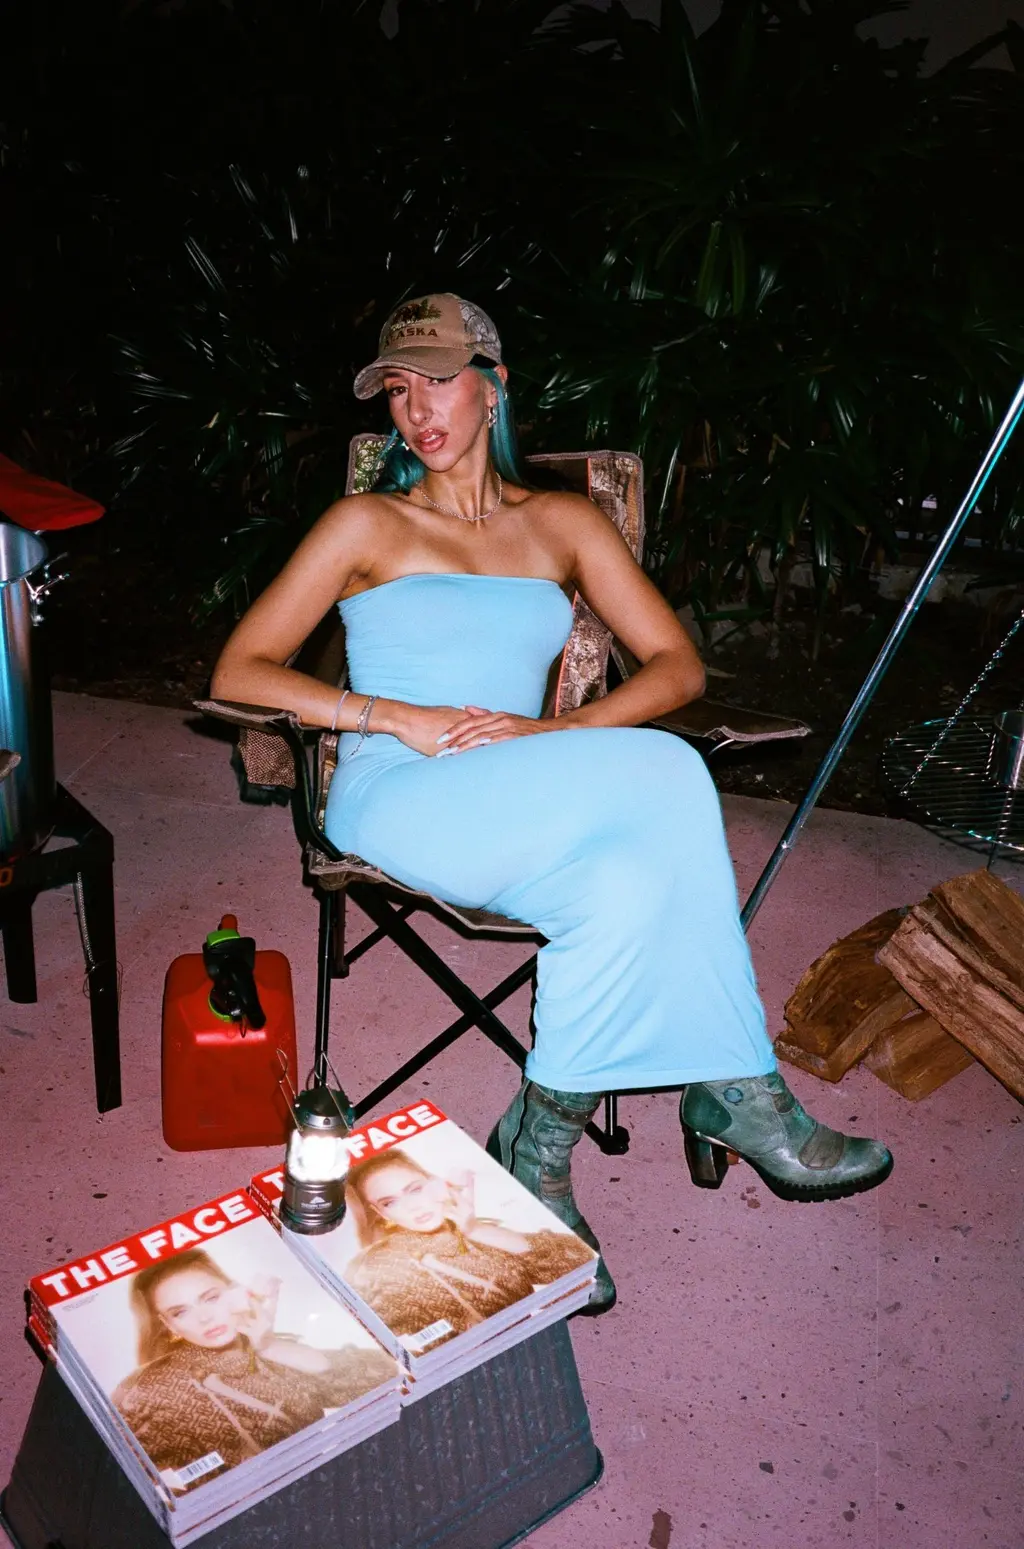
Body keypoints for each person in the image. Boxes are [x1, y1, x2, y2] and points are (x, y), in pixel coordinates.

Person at [211, 291, 893, 1315]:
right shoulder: (365, 522)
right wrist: (391, 715)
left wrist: (553, 732)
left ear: (493, 385)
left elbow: (676, 666)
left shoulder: (561, 523)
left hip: (519, 785)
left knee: (620, 888)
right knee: (671, 775)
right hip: (400, 792)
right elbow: (240, 669)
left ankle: (536, 1153)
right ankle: (739, 1092)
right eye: (396, 390)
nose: (415, 410)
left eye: (438, 381)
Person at [112, 1249, 394, 1486]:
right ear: (169, 1326)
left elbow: (384, 1374)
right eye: (181, 1312)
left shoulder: (272, 1354)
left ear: (236, 1292)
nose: (205, 1318)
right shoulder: (148, 1390)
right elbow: (152, 1483)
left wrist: (269, 1346)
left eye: (211, 1298)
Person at [341, 1147, 594, 1346]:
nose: (412, 1206)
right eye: (390, 1203)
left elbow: (579, 1262)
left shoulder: (478, 1232)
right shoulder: (381, 1265)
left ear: (434, 1183)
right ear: (381, 1214)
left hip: (533, 1336)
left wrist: (475, 1229)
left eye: (415, 1189)